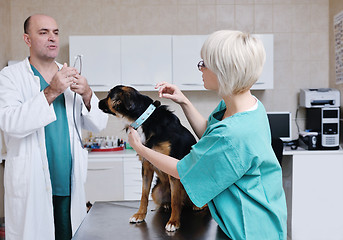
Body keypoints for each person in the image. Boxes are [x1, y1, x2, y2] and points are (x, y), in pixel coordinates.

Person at [128, 30, 287, 240]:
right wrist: (183, 101)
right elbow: (209, 134)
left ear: (225, 71)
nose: (200, 68)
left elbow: (183, 170)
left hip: (249, 229)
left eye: (205, 63)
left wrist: (140, 148)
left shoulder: (234, 134)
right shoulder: (247, 107)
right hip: (253, 217)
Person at [0, 14, 108, 240]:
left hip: (68, 183)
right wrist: (52, 91)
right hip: (32, 184)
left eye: (56, 33)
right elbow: (10, 123)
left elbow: (98, 123)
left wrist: (88, 94)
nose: (53, 38)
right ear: (27, 39)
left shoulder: (71, 76)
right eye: (43, 32)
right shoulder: (11, 77)